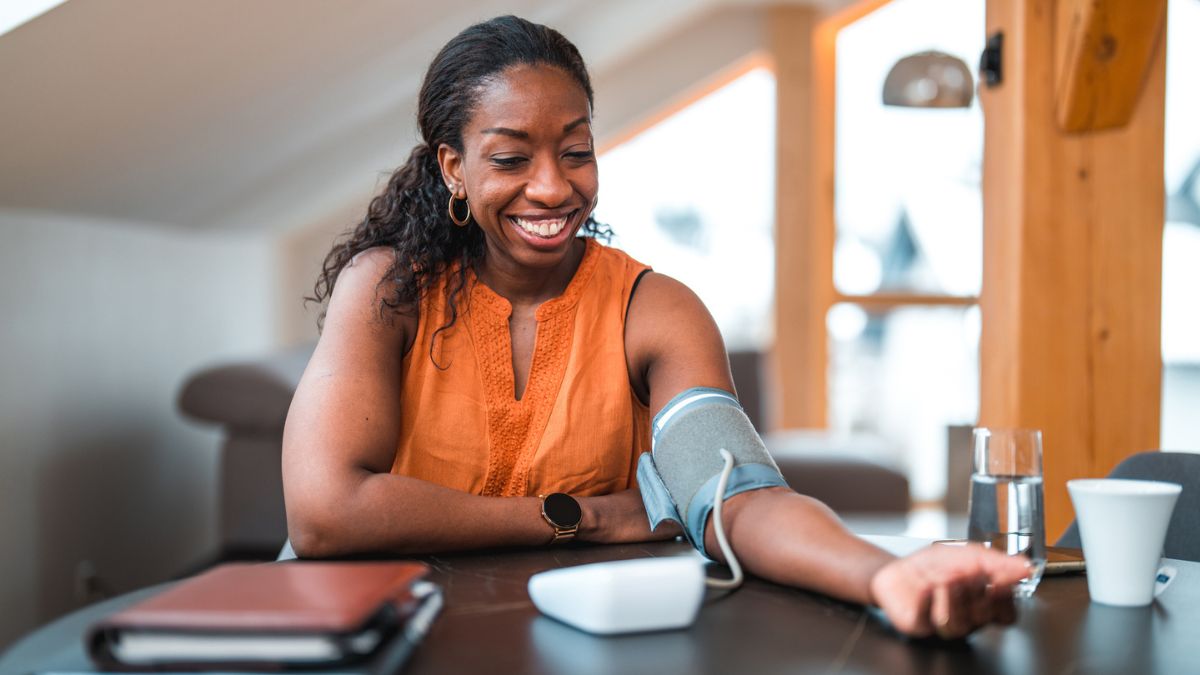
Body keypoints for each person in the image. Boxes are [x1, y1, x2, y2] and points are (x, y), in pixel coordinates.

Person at [282, 15, 1028, 640]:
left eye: (576, 151)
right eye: (511, 157)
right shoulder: (388, 289)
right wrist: (576, 518)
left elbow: (742, 497)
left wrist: (884, 574)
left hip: (561, 643)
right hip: (373, 640)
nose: (552, 185)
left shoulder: (653, 309)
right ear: (453, 166)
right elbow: (324, 514)